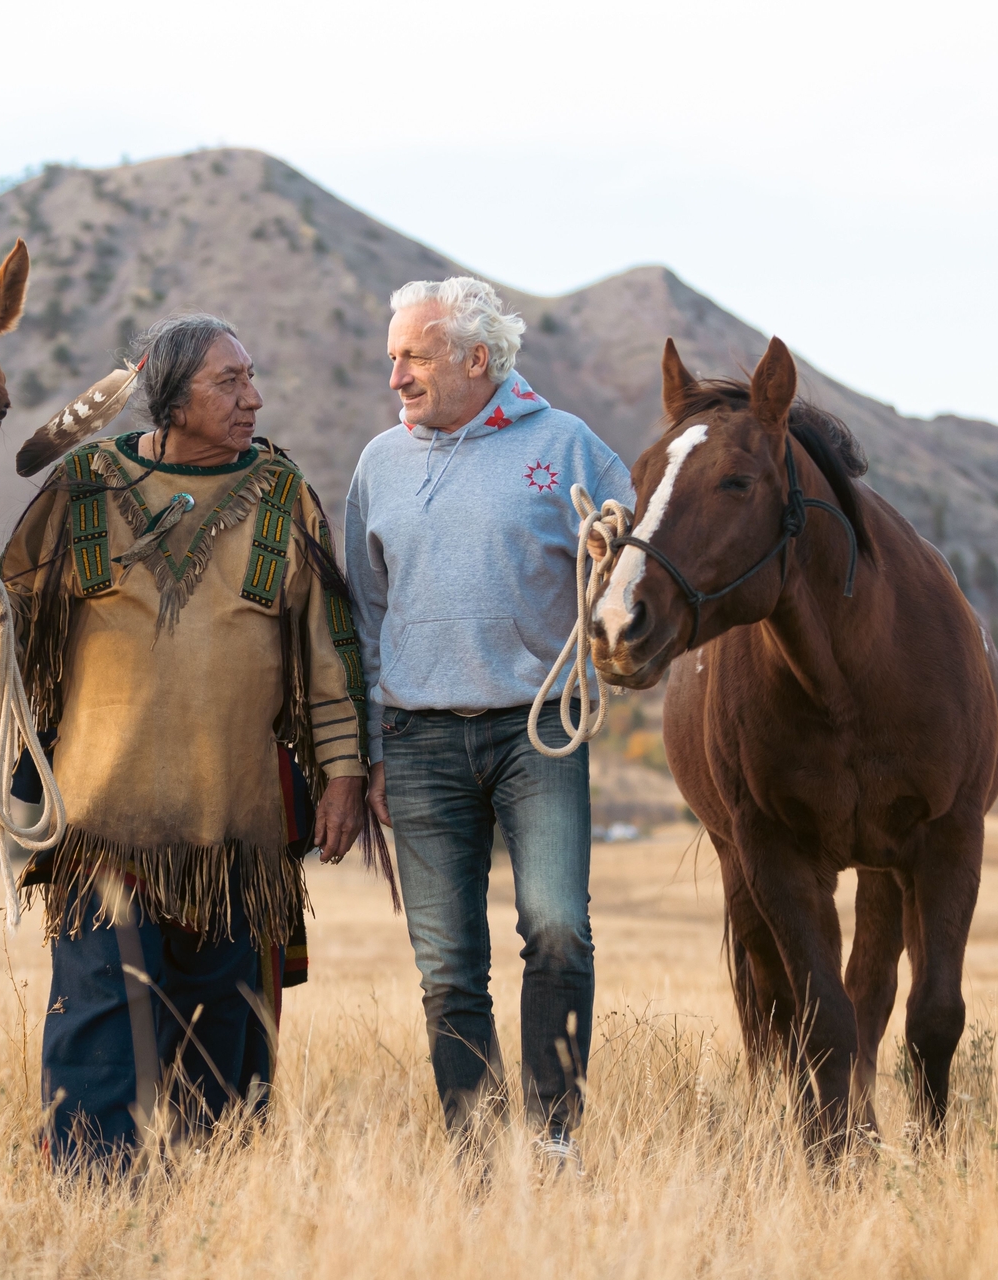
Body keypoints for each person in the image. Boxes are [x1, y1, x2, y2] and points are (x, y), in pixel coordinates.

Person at [0, 313, 372, 1166]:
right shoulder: (84, 484)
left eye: (250, 377)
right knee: (98, 1039)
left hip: (237, 832)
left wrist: (343, 772)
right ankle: (97, 1215)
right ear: (170, 397)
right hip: (102, 823)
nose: (253, 397)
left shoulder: (282, 494)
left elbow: (329, 651)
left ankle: (213, 1208)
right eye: (228, 382)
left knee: (225, 1053)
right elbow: (13, 621)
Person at [344, 277, 635, 1166]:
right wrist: (372, 747)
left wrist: (609, 554)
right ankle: (473, 1153)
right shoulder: (378, 464)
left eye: (415, 357)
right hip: (421, 740)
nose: (396, 376)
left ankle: (552, 1137)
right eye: (392, 356)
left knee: (556, 928)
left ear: (478, 359)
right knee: (447, 966)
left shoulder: (569, 447)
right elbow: (364, 614)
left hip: (533, 732)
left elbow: (632, 572)